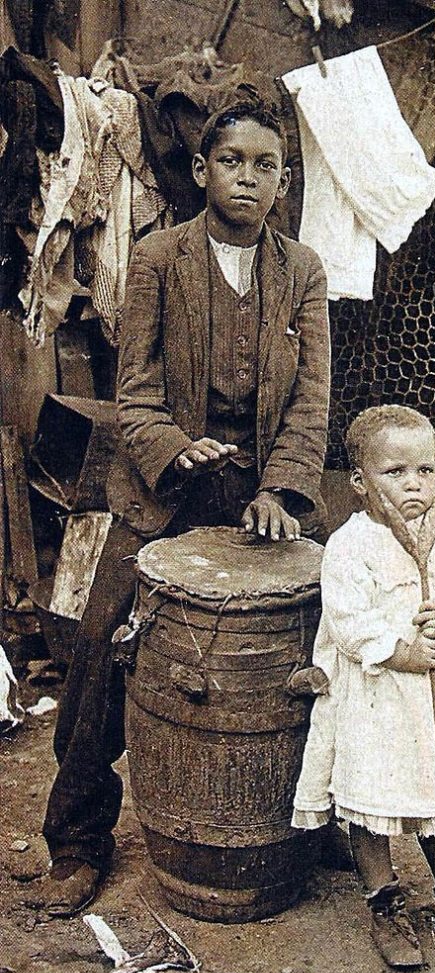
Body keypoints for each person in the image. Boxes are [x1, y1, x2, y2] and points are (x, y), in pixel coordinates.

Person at [36, 99, 331, 916]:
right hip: (161, 498)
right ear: (203, 171)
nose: (248, 176)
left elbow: (311, 402)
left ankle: (322, 820)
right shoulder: (158, 256)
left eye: (264, 165)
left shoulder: (302, 270)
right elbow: (131, 400)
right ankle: (78, 842)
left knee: (320, 651)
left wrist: (280, 488)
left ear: (280, 180)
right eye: (231, 160)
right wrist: (175, 449)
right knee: (99, 660)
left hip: (259, 500)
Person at [291, 405, 435, 969]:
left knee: (434, 798)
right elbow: (346, 620)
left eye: (425, 470)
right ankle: (385, 899)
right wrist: (398, 650)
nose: (414, 483)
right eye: (395, 472)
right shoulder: (350, 544)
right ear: (360, 483)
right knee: (373, 802)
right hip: (377, 699)